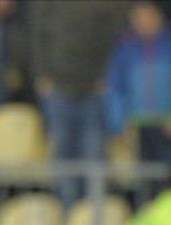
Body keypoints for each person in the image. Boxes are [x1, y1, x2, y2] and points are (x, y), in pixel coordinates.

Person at [24, 0, 128, 203]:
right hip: (58, 87)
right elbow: (37, 35)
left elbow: (114, 35)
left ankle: (91, 213)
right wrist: (40, 74)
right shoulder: (48, 6)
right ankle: (68, 213)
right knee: (63, 153)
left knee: (94, 153)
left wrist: (107, 75)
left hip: (93, 88)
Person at [105, 1, 171, 164]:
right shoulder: (124, 51)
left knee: (169, 175)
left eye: (149, 16)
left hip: (170, 125)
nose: (145, 22)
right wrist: (118, 125)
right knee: (143, 179)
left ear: (160, 17)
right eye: (139, 17)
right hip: (137, 126)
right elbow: (116, 89)